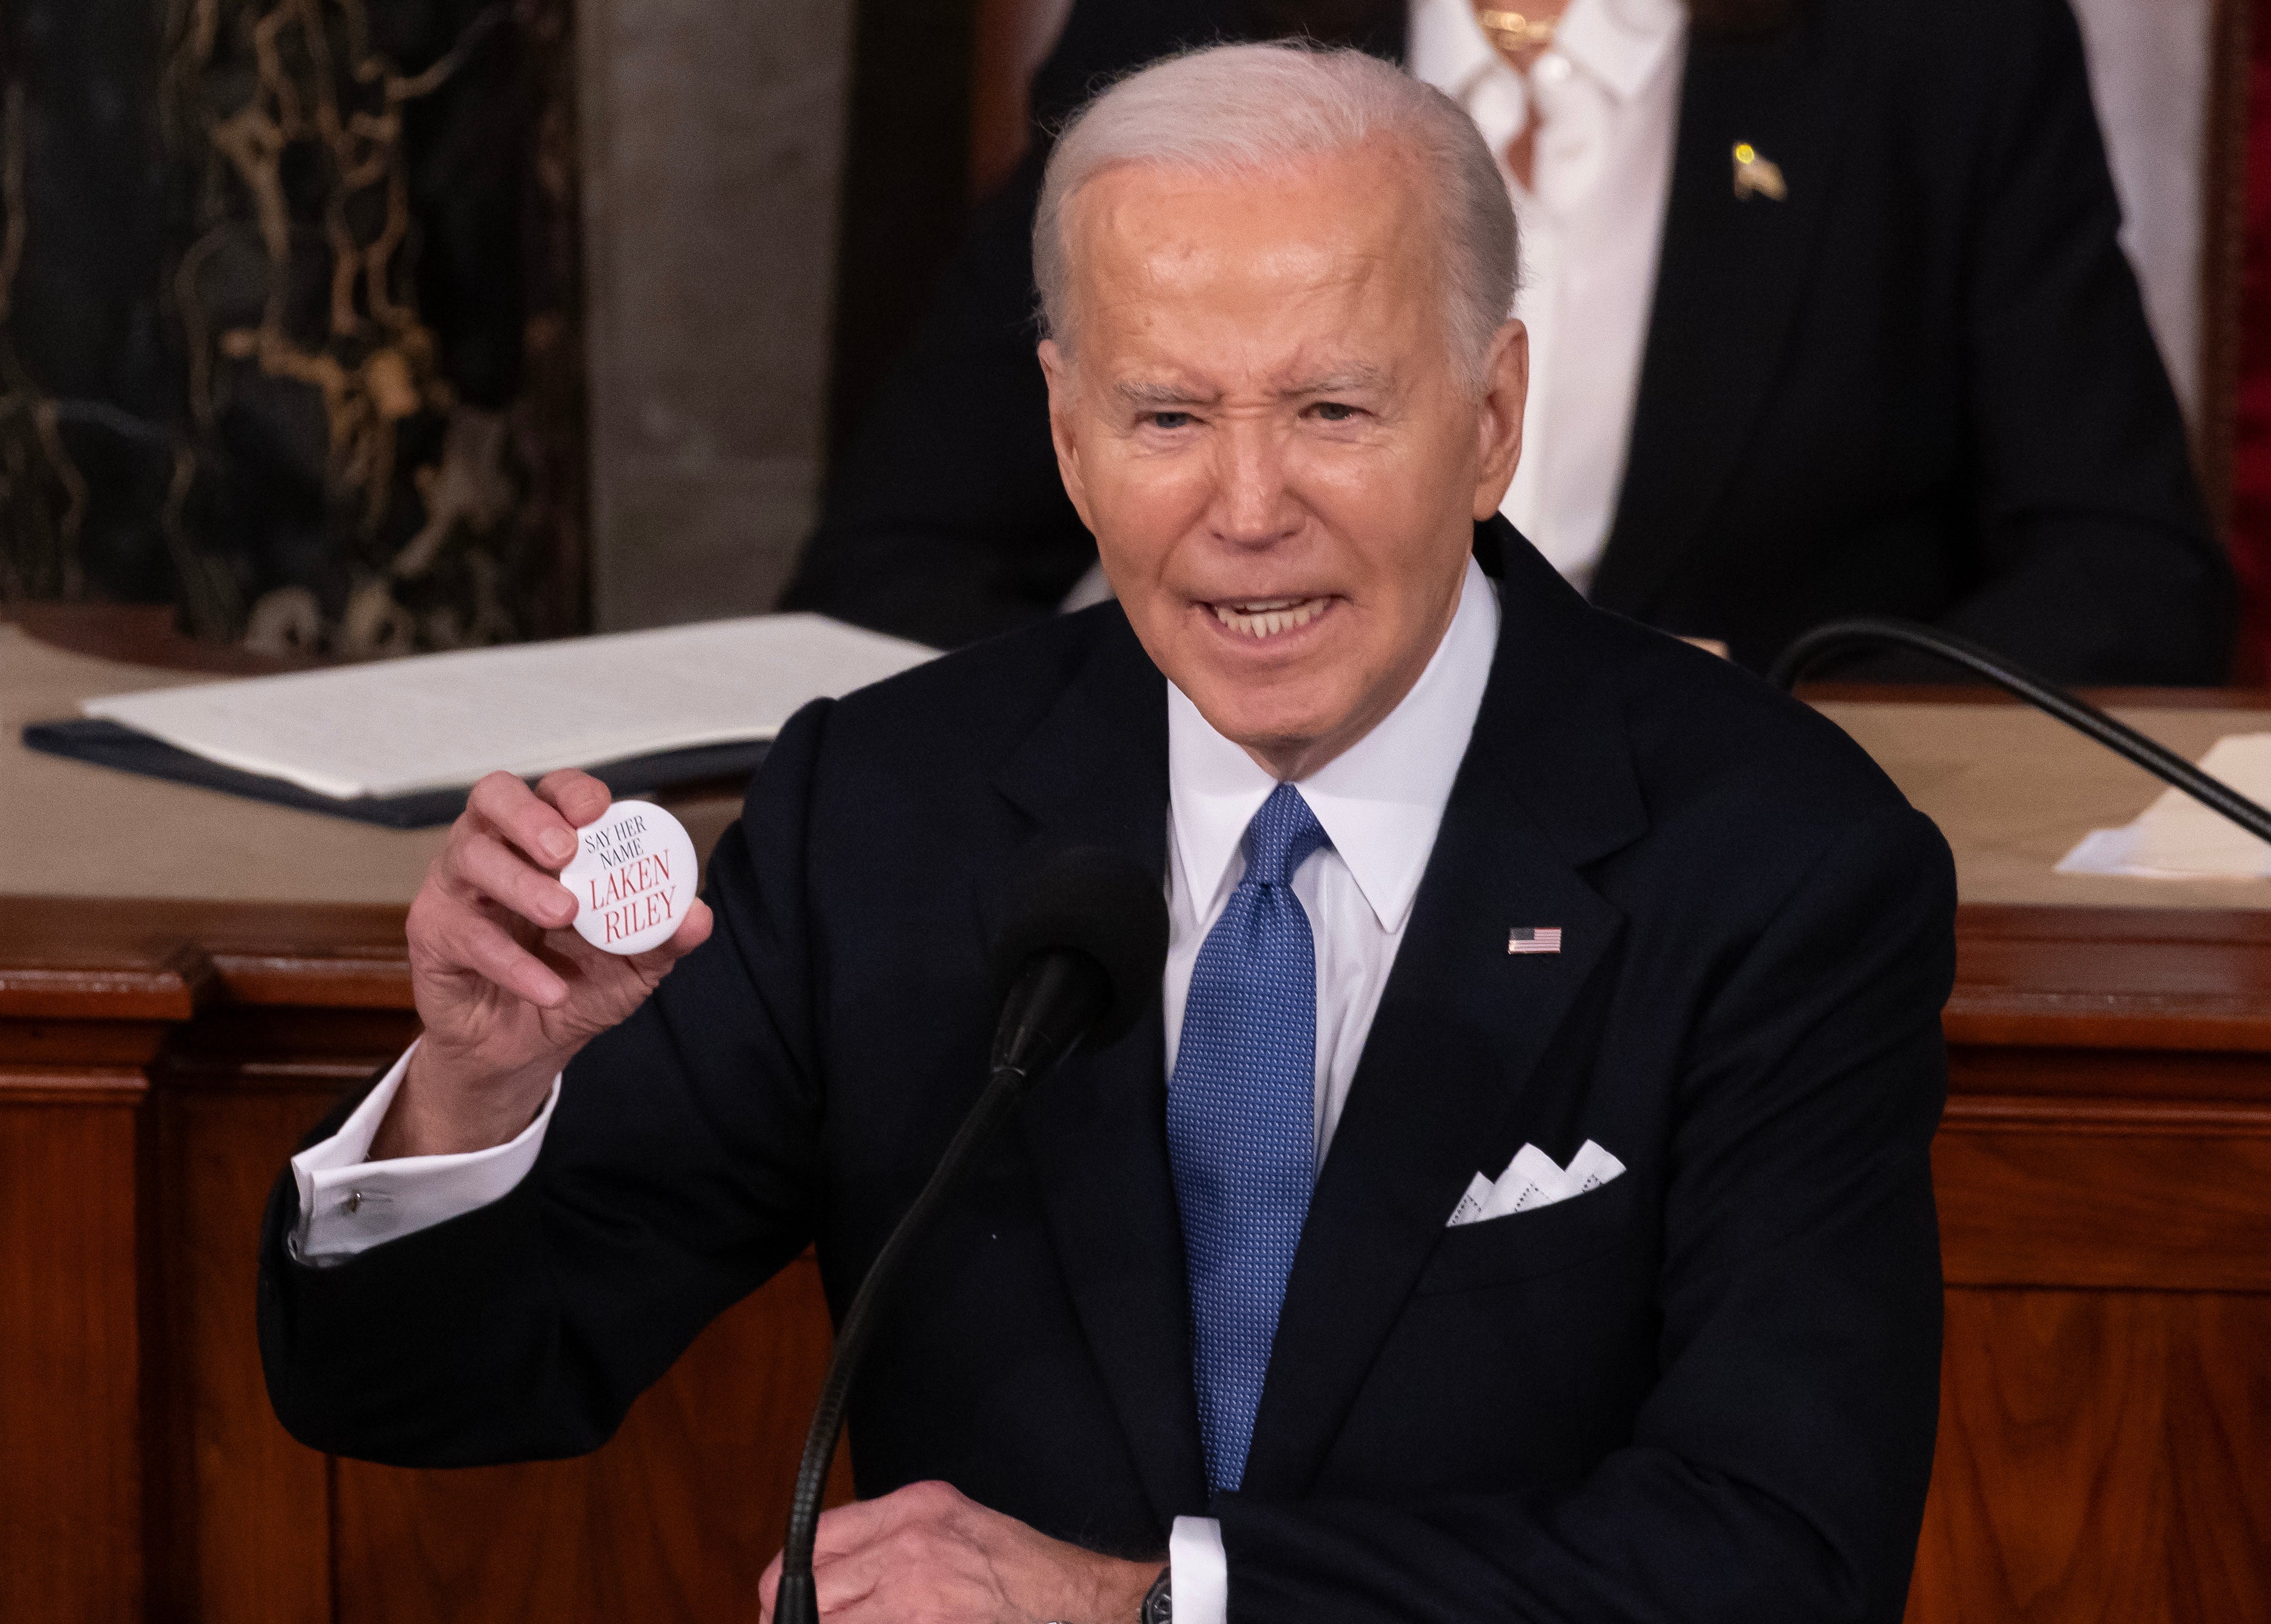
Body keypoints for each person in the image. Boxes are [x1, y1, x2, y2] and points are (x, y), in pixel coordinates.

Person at [260, 45, 1953, 1623]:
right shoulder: (891, 808)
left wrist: (1139, 1604)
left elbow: (1781, 1551)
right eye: (1167, 417)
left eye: (1334, 411)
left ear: (1493, 417)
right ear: (1068, 434)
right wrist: (471, 1087)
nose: (1246, 510)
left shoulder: (1773, 857)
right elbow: (443, 1384)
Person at [783, 0, 2236, 685]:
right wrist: (1200, 702)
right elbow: (892, 567)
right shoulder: (1196, 20)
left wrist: (1754, 707)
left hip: (1734, 906)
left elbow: (2133, 583)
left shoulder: (1937, 45)